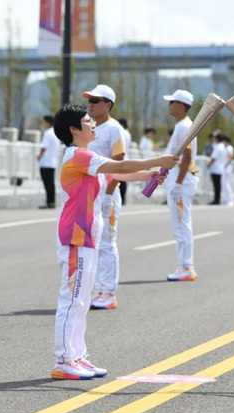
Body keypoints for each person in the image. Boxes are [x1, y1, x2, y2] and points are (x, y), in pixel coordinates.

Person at [50, 104, 177, 379]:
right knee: (72, 299)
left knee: (82, 301)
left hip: (88, 236)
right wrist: (157, 160)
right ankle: (63, 360)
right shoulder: (77, 155)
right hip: (76, 235)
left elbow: (116, 174)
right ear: (73, 129)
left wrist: (150, 175)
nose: (93, 123)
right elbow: (119, 165)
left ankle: (77, 355)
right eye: (87, 120)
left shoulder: (89, 157)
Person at [82, 84, 126, 309]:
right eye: (89, 100)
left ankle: (108, 292)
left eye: (96, 100)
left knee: (108, 243)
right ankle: (98, 289)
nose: (91, 104)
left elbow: (119, 162)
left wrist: (109, 194)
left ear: (108, 104)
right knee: (94, 243)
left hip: (106, 193)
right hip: (89, 194)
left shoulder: (114, 129)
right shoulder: (89, 127)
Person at [163, 89, 199, 281]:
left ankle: (186, 266)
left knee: (181, 225)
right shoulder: (182, 125)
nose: (169, 105)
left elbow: (186, 156)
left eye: (172, 102)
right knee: (181, 224)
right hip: (181, 179)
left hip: (182, 181)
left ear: (182, 105)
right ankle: (185, 265)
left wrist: (177, 183)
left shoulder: (184, 126)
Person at [37, 115, 60, 209]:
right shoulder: (55, 133)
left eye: (44, 122)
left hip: (46, 163)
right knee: (51, 184)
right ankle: (51, 202)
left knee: (47, 184)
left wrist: (39, 155)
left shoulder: (48, 133)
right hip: (52, 162)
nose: (43, 124)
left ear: (48, 122)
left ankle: (49, 202)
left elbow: (44, 147)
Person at [206, 132, 225, 205]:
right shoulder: (222, 146)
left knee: (216, 185)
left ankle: (216, 200)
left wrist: (209, 164)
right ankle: (217, 199)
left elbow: (214, 157)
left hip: (216, 168)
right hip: (220, 168)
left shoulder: (218, 147)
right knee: (218, 185)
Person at [118, 118, 132, 205]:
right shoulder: (127, 133)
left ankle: (122, 199)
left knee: (121, 180)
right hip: (125, 157)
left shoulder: (122, 132)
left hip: (122, 157)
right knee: (123, 180)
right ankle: (123, 199)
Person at [221, 134, 234, 206]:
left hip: (227, 168)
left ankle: (230, 199)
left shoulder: (229, 148)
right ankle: (226, 199)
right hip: (224, 168)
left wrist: (225, 166)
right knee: (224, 183)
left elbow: (229, 159)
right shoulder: (226, 148)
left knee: (226, 184)